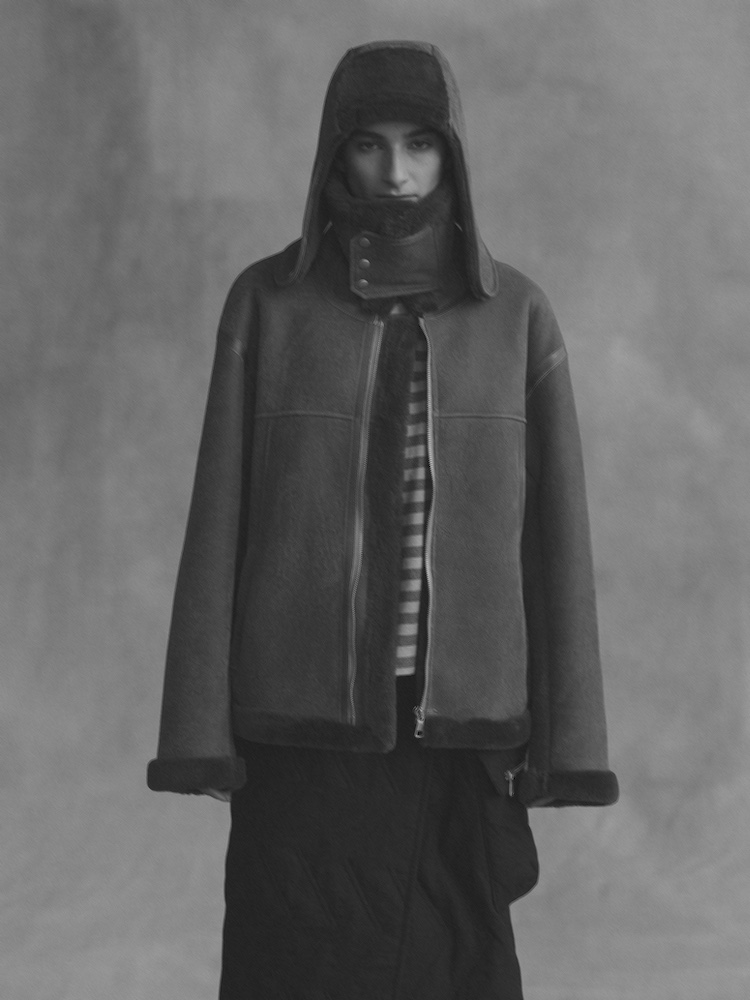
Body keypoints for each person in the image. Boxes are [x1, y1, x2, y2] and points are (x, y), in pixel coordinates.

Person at [147, 40, 619, 1000]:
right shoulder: (268, 304)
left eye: (420, 144)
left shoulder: (515, 316)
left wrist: (569, 745)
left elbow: (557, 549)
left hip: (458, 733)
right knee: (296, 966)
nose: (396, 170)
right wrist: (198, 727)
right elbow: (217, 525)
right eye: (369, 144)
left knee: (456, 968)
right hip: (301, 727)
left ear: (454, 155)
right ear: (335, 151)